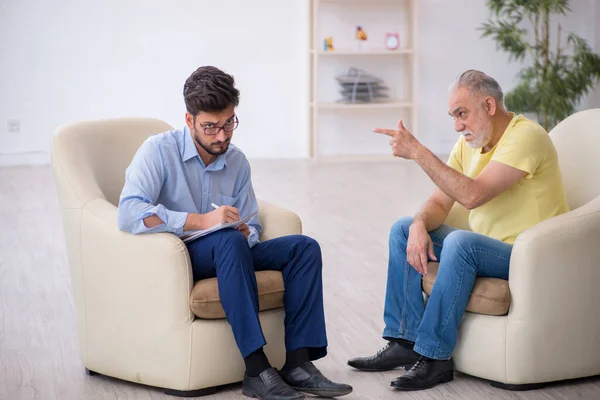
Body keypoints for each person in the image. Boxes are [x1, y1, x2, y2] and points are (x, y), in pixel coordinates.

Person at [117, 66, 352, 400]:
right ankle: (256, 368)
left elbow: (253, 224)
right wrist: (202, 221)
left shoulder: (237, 162)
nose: (222, 136)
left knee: (304, 248)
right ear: (189, 121)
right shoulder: (158, 151)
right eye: (210, 127)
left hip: (233, 253)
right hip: (181, 257)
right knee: (225, 239)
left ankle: (298, 364)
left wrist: (246, 232)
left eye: (229, 123)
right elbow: (129, 213)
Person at [347, 70, 569, 391]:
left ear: (489, 106)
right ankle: (404, 341)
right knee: (403, 228)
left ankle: (435, 358)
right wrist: (420, 224)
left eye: (462, 114)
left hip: (528, 253)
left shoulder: (525, 137)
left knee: (461, 244)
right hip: (486, 247)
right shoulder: (467, 145)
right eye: (453, 116)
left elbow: (472, 195)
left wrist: (419, 153)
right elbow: (440, 203)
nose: (457, 125)